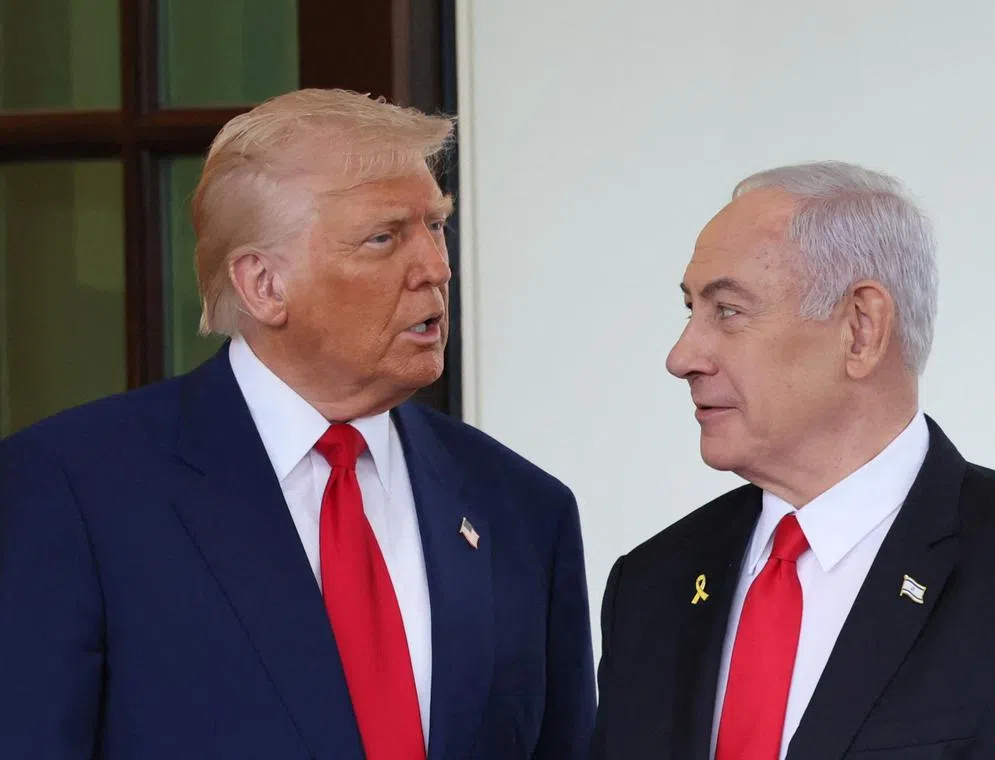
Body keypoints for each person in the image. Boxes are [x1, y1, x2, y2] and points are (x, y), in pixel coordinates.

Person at [0, 88, 595, 760]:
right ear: (263, 285)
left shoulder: (522, 509)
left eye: (436, 226)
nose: (435, 266)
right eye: (385, 237)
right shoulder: (73, 491)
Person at [591, 162, 995, 760]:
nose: (682, 356)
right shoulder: (652, 585)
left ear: (861, 330)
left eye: (728, 311)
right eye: (690, 311)